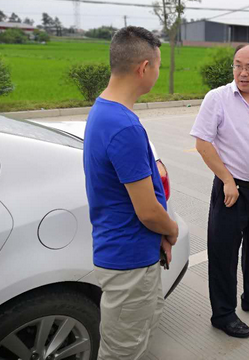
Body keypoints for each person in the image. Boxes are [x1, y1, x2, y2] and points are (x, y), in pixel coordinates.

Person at [83, 26, 179, 360]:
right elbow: (148, 211)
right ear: (144, 67)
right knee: (122, 351)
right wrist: (171, 229)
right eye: (158, 66)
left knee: (137, 337)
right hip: (129, 262)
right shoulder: (124, 126)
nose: (158, 73)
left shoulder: (104, 109)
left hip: (130, 252)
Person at [191, 44, 249, 339]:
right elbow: (203, 143)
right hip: (231, 192)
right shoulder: (218, 98)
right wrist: (227, 180)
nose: (242, 73)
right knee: (224, 255)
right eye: (237, 66)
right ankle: (223, 314)